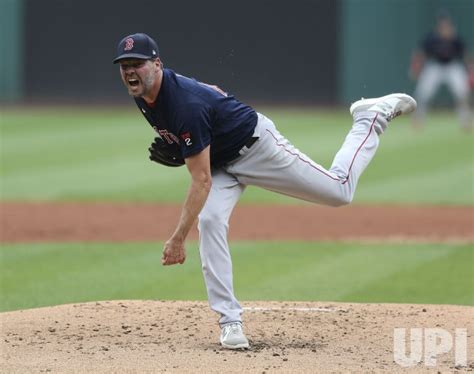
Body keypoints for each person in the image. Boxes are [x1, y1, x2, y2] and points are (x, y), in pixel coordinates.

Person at [113, 33, 416, 349]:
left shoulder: (183, 104)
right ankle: (230, 322)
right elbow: (208, 92)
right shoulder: (144, 94)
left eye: (137, 64)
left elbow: (201, 180)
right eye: (124, 66)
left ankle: (369, 118)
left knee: (339, 191)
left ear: (157, 64)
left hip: (258, 149)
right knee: (211, 220)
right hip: (221, 162)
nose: (130, 71)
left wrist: (177, 239)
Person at [410, 13, 472, 130]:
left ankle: (466, 120)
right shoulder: (432, 38)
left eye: (446, 25)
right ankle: (417, 119)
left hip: (452, 66)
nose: (444, 27)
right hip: (435, 66)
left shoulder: (455, 38)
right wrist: (416, 67)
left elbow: (465, 55)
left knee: (462, 93)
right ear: (438, 26)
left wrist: (470, 68)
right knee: (423, 93)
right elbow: (421, 54)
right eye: (442, 25)